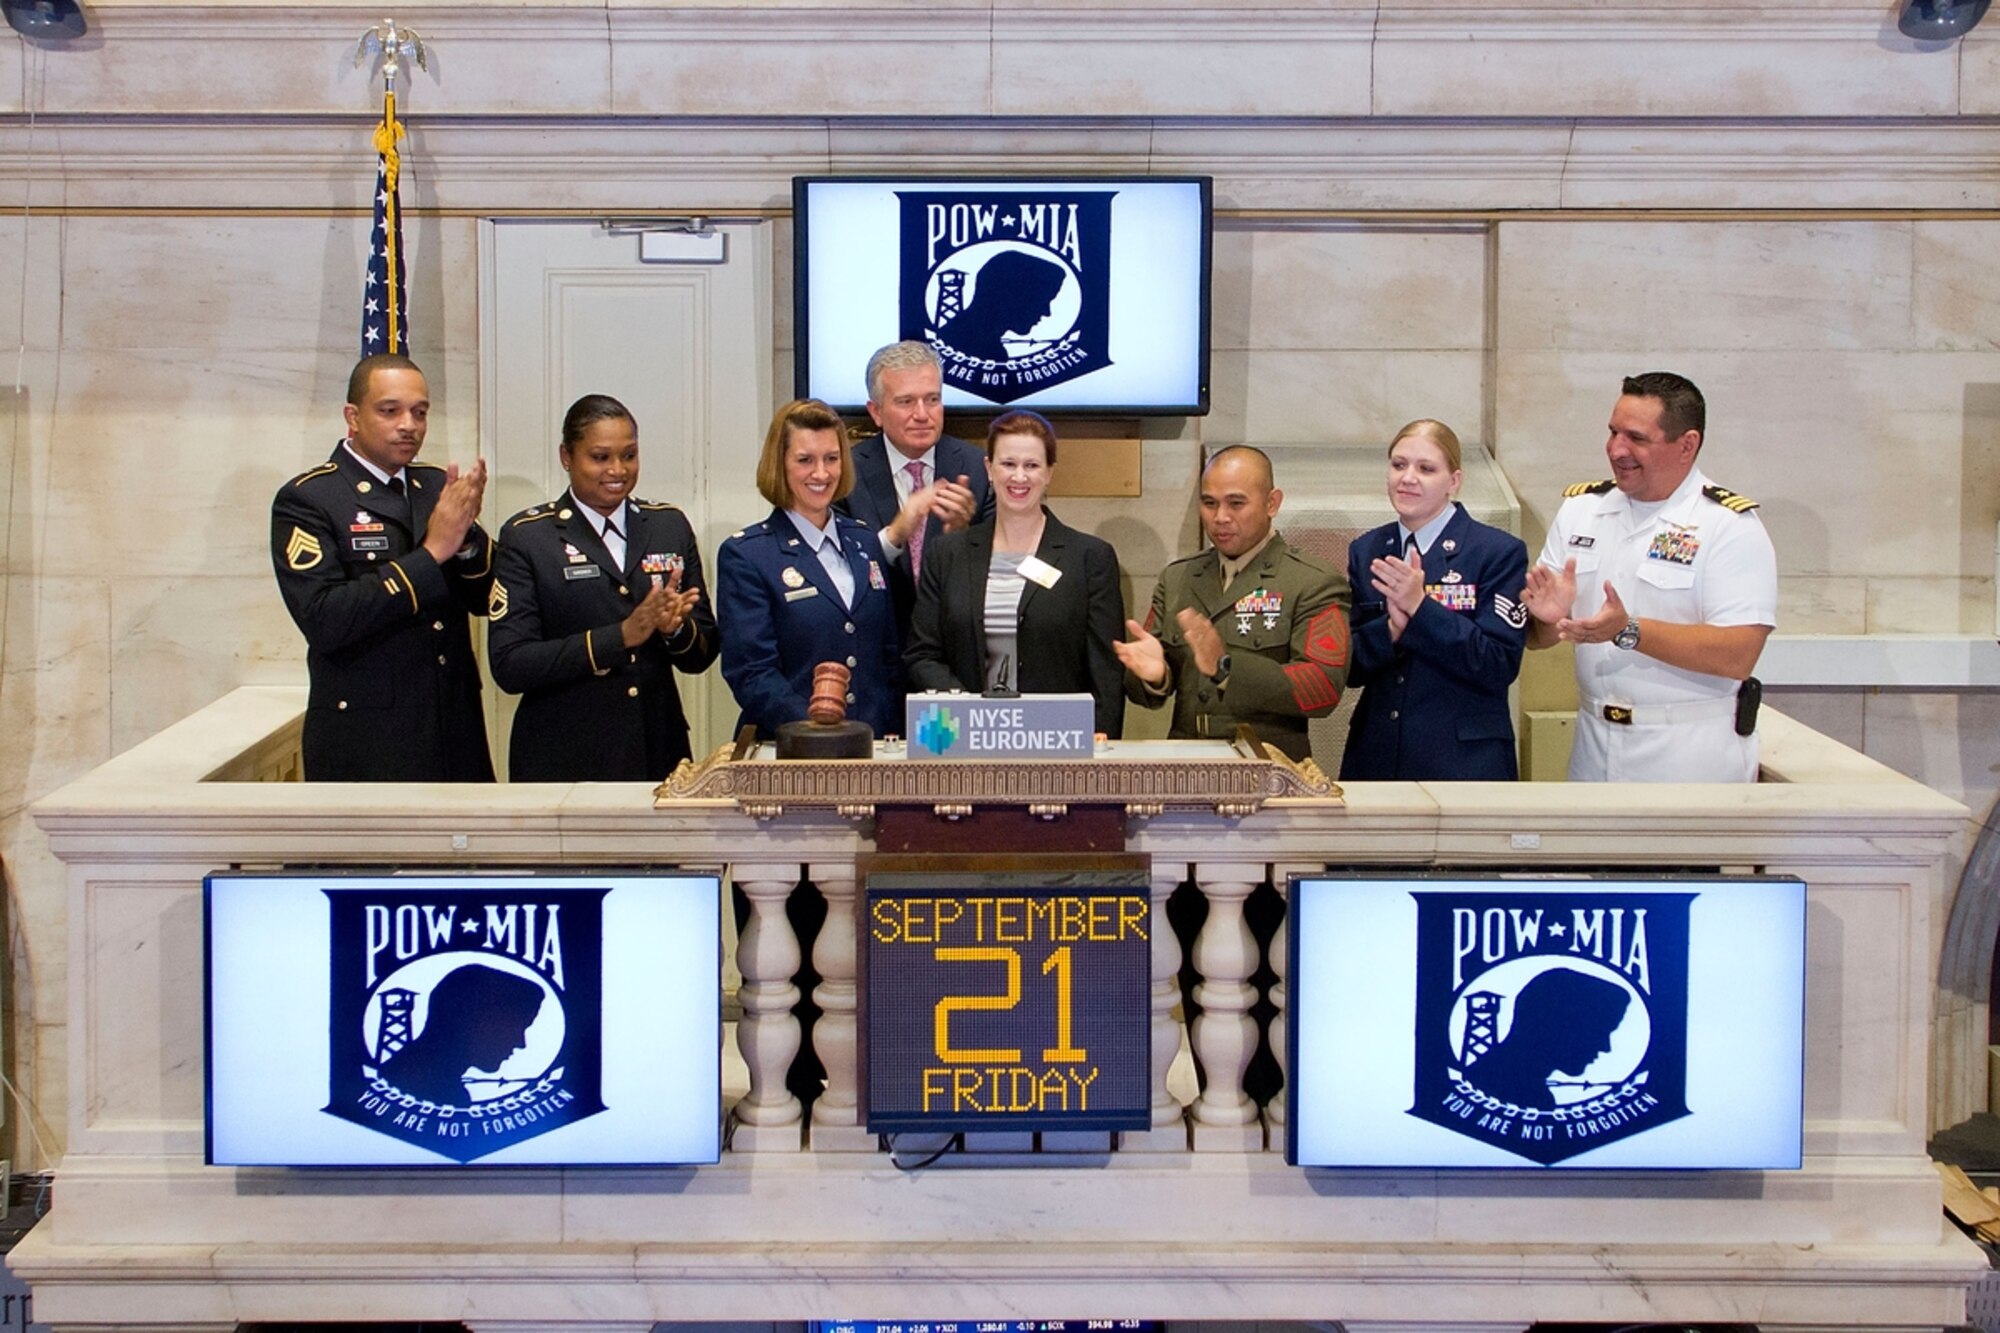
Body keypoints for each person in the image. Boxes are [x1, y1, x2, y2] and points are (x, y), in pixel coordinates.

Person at [1523, 372, 1776, 783]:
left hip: (1687, 752)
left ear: (1687, 444)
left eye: (1636, 438)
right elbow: (1539, 639)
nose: (1616, 450)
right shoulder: (1582, 511)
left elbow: (1739, 653)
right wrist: (1549, 620)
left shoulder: (1727, 525)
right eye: (1612, 432)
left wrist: (1629, 630)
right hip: (1593, 743)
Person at [271, 353, 495, 782]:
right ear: (352, 417)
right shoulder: (312, 498)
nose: (408, 424)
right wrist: (432, 554)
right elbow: (325, 619)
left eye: (420, 412)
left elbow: (489, 599)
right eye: (390, 411)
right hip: (369, 737)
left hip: (452, 726)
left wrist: (465, 540)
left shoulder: (434, 486)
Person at [487, 394, 718, 781]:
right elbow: (511, 665)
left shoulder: (668, 525)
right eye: (600, 457)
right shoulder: (528, 537)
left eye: (629, 455)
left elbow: (702, 654)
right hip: (564, 757)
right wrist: (621, 636)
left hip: (656, 753)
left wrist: (674, 628)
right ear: (567, 456)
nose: (618, 469)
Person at [1114, 445, 1351, 762]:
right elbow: (1147, 690)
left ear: (1272, 503)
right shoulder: (1178, 578)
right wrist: (1155, 676)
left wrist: (1227, 669)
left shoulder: (1312, 581)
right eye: (1209, 503)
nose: (1220, 517)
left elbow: (1322, 689)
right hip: (1186, 765)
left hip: (1270, 770)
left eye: (1236, 503)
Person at [904, 410, 1125, 738]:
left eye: (1032, 465)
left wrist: (1101, 742)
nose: (1019, 477)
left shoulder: (1090, 558)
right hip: (963, 740)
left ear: (1049, 472)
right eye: (1008, 464)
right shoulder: (947, 554)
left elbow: (1106, 670)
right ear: (988, 468)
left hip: (1058, 744)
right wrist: (973, 714)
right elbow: (922, 655)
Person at [1340, 419, 1528, 781]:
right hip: (1378, 756)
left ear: (1453, 482)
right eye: (1398, 465)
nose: (1407, 478)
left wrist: (1421, 610)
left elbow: (1498, 663)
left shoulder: (1496, 552)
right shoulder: (1368, 550)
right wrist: (1392, 629)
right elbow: (1349, 667)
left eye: (1426, 469)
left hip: (1464, 760)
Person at [715, 398, 904, 739]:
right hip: (791, 750)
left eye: (832, 459)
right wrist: (818, 732)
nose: (821, 473)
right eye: (805, 460)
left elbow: (887, 657)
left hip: (872, 747)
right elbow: (752, 673)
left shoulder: (864, 541)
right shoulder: (748, 555)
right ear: (780, 464)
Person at [835, 341, 994, 636]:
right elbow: (837, 575)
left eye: (932, 399)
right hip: (877, 643)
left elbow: (996, 574)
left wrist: (961, 538)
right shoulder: (845, 474)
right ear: (876, 412)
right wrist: (895, 535)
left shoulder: (976, 468)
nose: (922, 414)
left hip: (954, 646)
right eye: (906, 402)